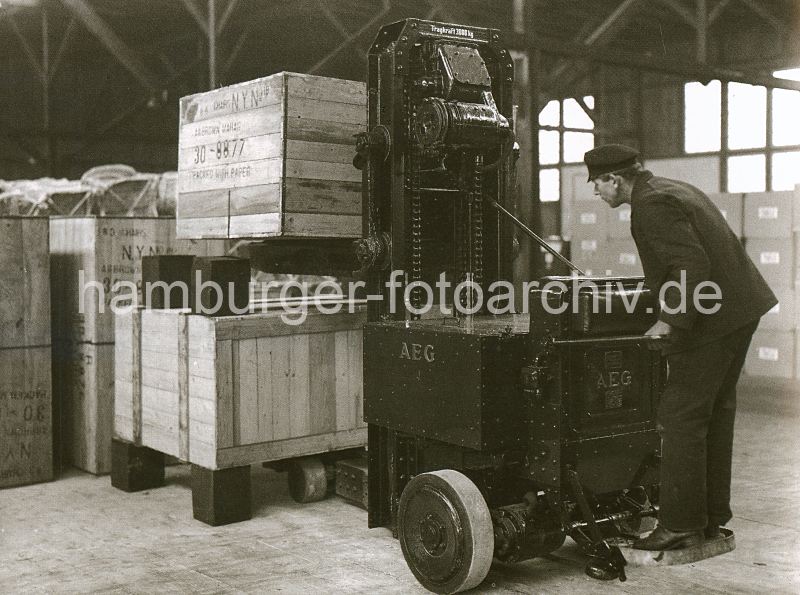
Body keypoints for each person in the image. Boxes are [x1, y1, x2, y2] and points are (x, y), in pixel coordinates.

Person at [583, 144, 777, 550]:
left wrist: (670, 319)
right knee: (714, 411)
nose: (596, 193)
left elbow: (690, 263)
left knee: (680, 416)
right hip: (739, 310)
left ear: (615, 179)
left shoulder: (650, 205)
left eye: (597, 184)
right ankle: (709, 520)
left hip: (712, 320)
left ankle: (681, 525)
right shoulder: (673, 189)